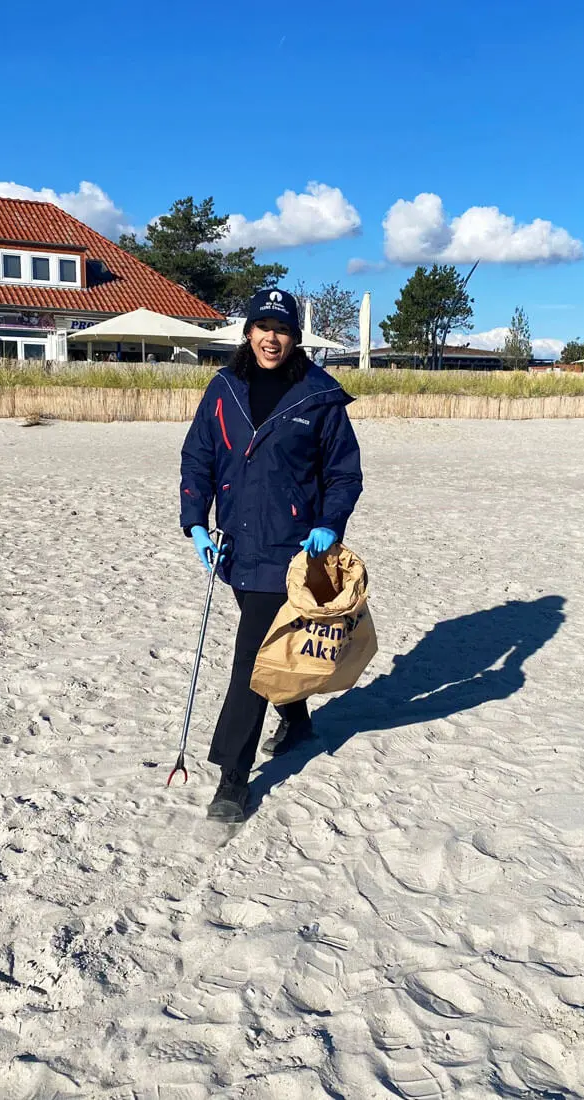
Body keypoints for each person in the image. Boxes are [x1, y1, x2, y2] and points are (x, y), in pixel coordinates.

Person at [179, 289, 363, 822]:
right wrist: (195, 521)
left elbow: (343, 474)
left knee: (252, 656)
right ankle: (299, 719)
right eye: (261, 326)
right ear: (247, 333)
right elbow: (199, 457)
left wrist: (329, 523)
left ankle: (233, 778)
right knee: (271, 639)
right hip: (236, 544)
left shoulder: (319, 394)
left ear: (294, 337)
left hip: (294, 549)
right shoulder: (223, 389)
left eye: (280, 328)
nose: (271, 337)